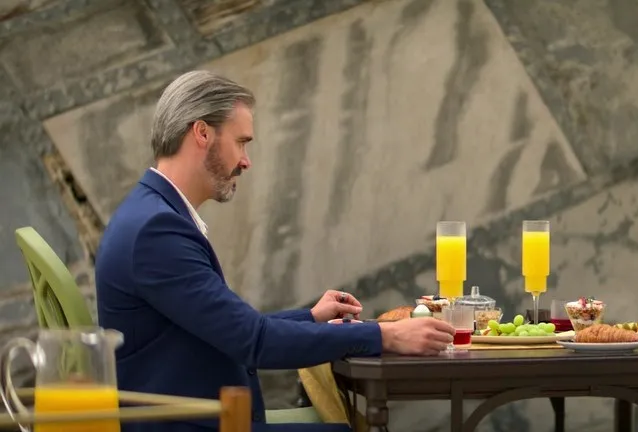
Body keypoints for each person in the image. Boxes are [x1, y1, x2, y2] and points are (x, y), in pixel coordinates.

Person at [94, 70, 456, 432]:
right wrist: (385, 336)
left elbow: (234, 330)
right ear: (202, 132)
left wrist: (310, 318)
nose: (246, 161)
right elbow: (254, 342)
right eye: (241, 142)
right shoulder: (157, 231)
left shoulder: (151, 215)